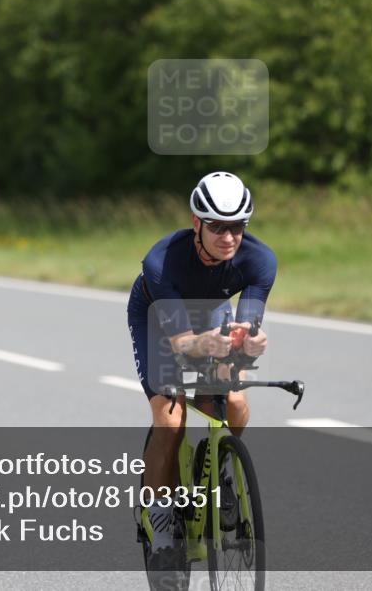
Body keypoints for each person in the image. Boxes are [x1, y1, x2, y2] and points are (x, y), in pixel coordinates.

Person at [127, 171, 276, 571]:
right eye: (217, 227)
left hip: (211, 312)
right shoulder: (161, 261)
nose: (228, 237)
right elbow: (181, 346)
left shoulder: (260, 261)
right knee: (170, 420)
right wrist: (203, 344)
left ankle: (221, 471)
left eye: (237, 227)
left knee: (237, 402)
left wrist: (250, 343)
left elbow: (245, 330)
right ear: (197, 223)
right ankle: (158, 519)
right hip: (161, 318)